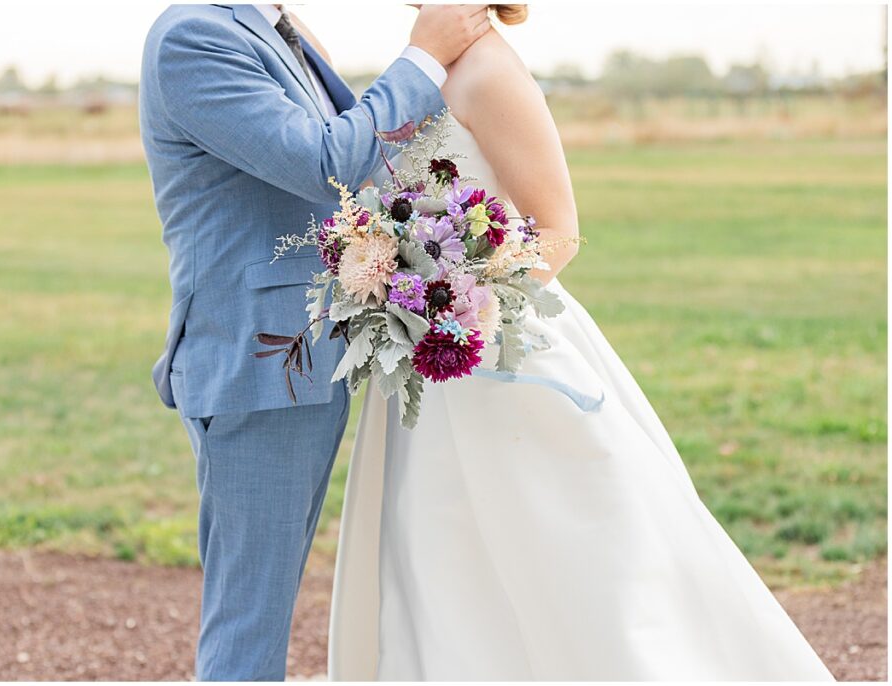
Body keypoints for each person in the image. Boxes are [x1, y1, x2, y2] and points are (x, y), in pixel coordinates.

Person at [328, 5, 835, 680]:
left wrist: (466, 313)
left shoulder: (490, 71)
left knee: (559, 553)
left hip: (492, 352)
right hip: (430, 365)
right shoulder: (421, 64)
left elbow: (558, 228)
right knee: (441, 554)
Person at [139, 3, 490, 681]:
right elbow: (325, 162)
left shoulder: (274, 27)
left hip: (300, 358)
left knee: (261, 612)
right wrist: (422, 56)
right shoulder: (195, 36)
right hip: (259, 360)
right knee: (249, 627)